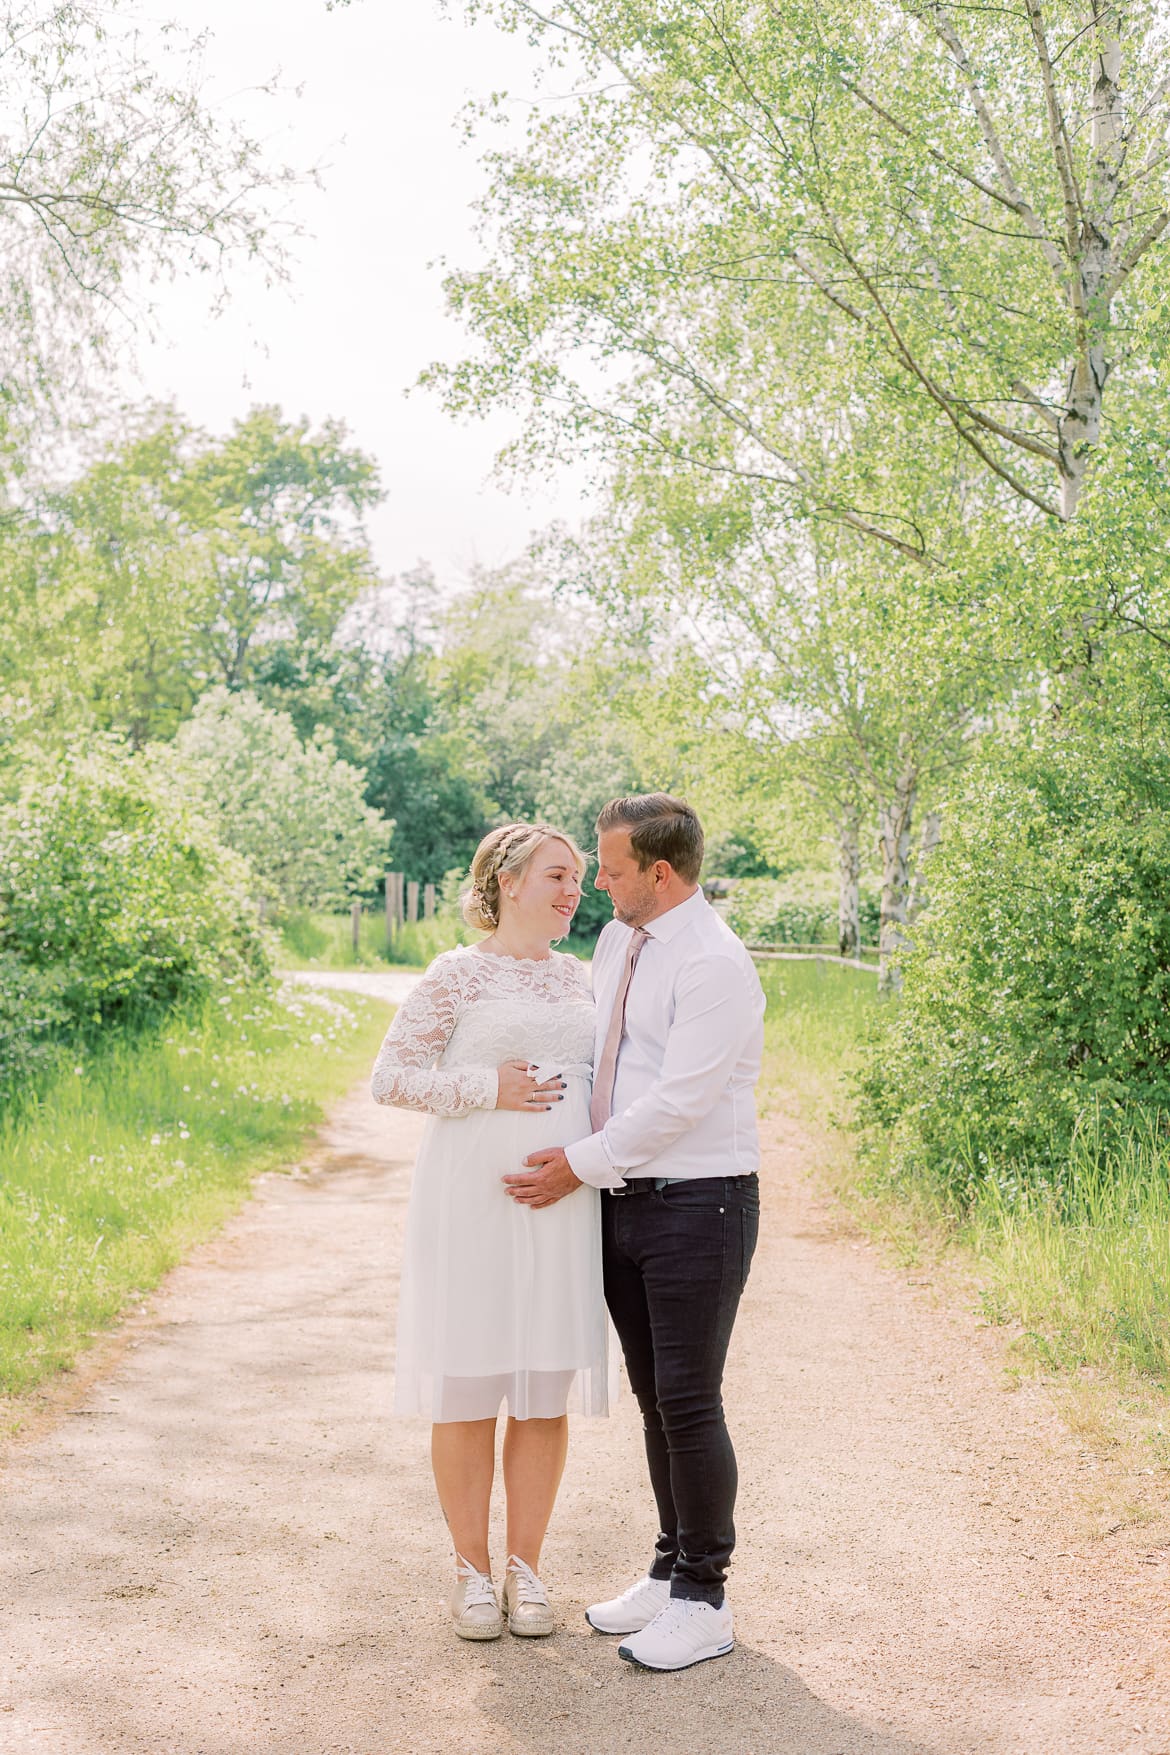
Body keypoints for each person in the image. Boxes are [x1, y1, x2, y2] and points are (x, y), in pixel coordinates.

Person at [504, 793, 764, 1672]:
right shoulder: (621, 939)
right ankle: (668, 1566)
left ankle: (706, 1595)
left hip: (701, 1203)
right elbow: (597, 1054)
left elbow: (682, 1101)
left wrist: (579, 1159)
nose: (597, 883)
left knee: (690, 1401)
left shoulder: (716, 963)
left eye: (610, 869)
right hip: (625, 1199)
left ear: (660, 871)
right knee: (656, 1401)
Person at [371, 822, 608, 1642]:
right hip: (470, 1198)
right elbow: (390, 1077)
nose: (574, 889)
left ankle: (526, 1568)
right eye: (558, 874)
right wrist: (487, 1086)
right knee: (470, 1385)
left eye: (578, 877)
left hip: (562, 1205)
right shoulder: (457, 974)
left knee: (543, 1389)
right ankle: (472, 1573)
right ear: (508, 881)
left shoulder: (582, 978)